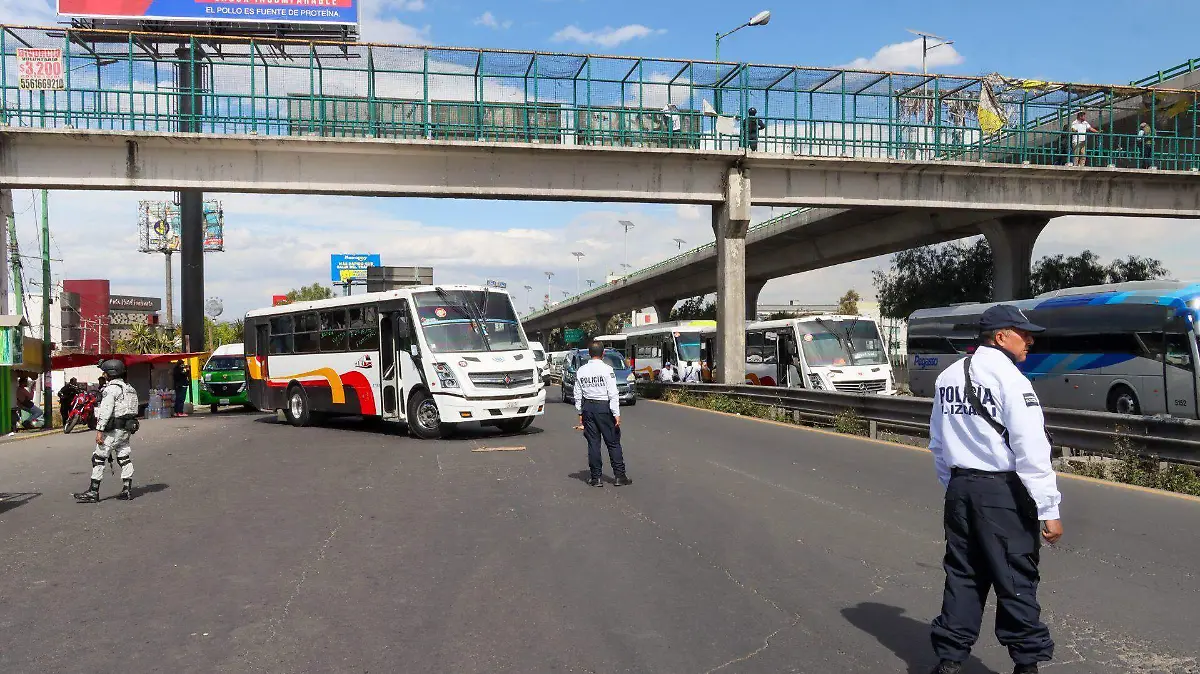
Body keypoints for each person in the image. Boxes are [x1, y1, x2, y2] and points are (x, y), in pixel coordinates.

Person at [927, 305, 1063, 674]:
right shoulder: (1012, 380)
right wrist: (1049, 507)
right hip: (1002, 494)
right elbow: (1031, 447)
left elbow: (938, 443)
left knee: (963, 575)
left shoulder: (949, 377)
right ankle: (1026, 665)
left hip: (960, 489)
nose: (1030, 340)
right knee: (1015, 578)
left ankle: (950, 662)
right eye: (1024, 333)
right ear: (1001, 336)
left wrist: (956, 486)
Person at [73, 359, 140, 503]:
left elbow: (105, 411)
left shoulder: (111, 389)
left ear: (110, 373)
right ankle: (127, 489)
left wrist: (99, 431)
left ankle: (93, 491)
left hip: (112, 430)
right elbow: (134, 409)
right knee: (124, 457)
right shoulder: (130, 388)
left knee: (98, 457)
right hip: (126, 429)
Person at [573, 342, 630, 488]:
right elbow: (613, 393)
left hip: (588, 408)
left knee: (593, 443)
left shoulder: (581, 370)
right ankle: (619, 476)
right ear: (603, 353)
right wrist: (616, 413)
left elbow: (577, 393)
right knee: (613, 442)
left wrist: (580, 411)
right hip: (604, 408)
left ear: (589, 354)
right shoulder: (607, 369)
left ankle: (596, 478)